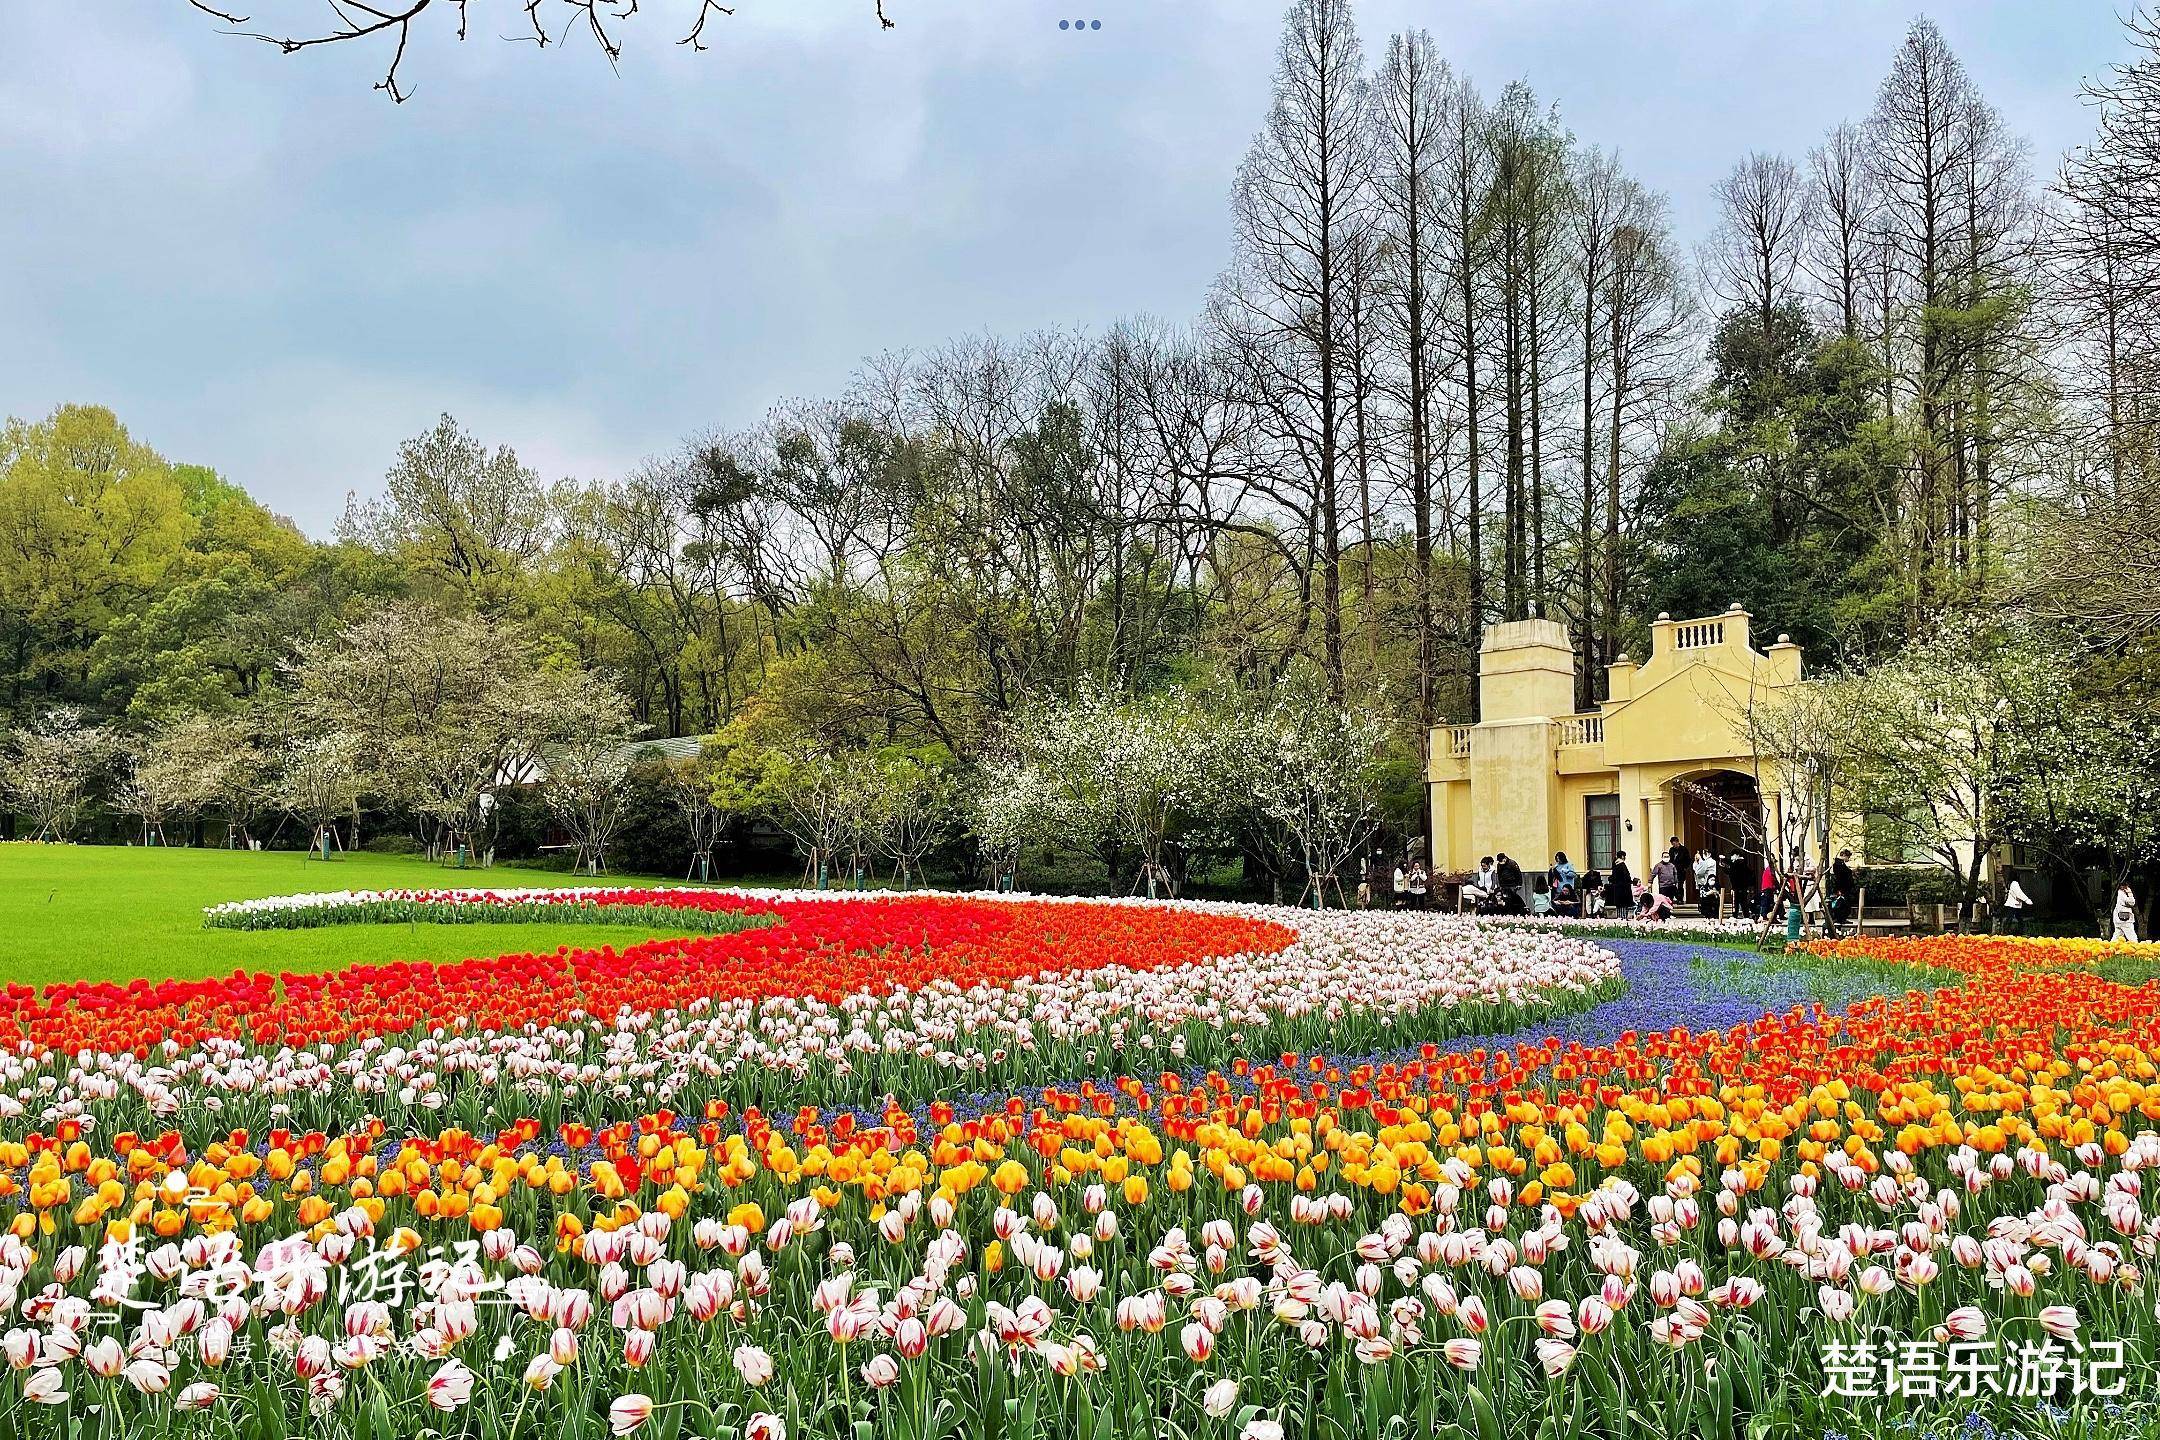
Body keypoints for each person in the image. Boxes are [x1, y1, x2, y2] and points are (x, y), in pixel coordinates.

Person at [1826, 850, 1860, 937]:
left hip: (1845, 888)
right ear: (1844, 855)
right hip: (1841, 888)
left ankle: (1843, 918)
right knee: (1842, 904)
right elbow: (1842, 875)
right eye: (1848, 857)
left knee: (1846, 904)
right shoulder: (1838, 864)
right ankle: (1840, 918)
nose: (1848, 859)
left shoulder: (1841, 864)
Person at [2000, 869, 2033, 934]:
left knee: (2015, 918)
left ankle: (2007, 931)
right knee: (2013, 918)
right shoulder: (2015, 883)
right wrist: (2026, 900)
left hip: (2013, 904)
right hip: (2013, 904)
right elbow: (2019, 893)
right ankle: (2006, 931)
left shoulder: (2010, 883)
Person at [1604, 852, 1634, 916]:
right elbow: (1626, 877)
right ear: (1622, 856)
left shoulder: (1615, 864)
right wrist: (1630, 882)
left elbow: (1613, 877)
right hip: (1623, 888)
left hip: (1617, 888)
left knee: (1619, 905)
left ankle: (1620, 917)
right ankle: (1623, 917)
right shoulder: (1622, 865)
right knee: (1623, 905)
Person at [1692, 850, 1720, 918]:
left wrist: (1700, 860)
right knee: (1703, 898)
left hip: (1709, 882)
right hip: (1703, 883)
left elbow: (1700, 870)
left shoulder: (1711, 861)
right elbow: (1695, 869)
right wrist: (1696, 861)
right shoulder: (1704, 861)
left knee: (1710, 898)